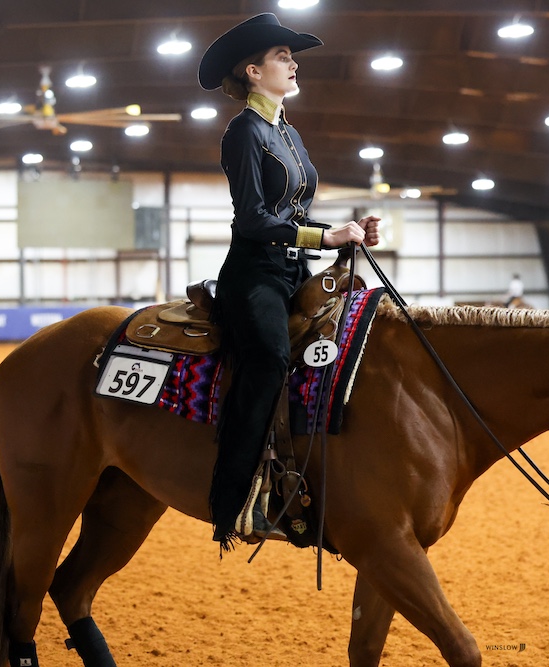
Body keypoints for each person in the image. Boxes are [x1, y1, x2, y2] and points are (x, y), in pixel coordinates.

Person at [198, 13, 381, 548]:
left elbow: (296, 213)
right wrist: (324, 239)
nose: (293, 63)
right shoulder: (244, 133)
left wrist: (346, 232)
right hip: (254, 273)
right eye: (282, 56)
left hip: (293, 269)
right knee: (269, 358)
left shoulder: (288, 132)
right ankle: (233, 500)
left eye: (290, 56)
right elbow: (253, 219)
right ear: (254, 71)